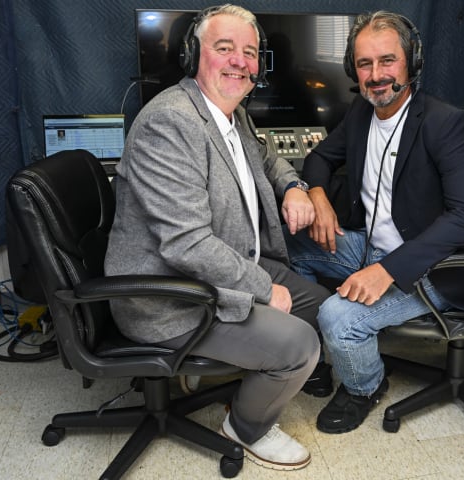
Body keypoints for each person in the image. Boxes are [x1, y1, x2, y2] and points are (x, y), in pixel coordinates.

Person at [104, 4, 331, 470]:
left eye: (249, 52)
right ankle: (246, 426)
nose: (239, 62)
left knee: (322, 309)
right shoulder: (170, 122)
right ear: (194, 55)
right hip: (171, 297)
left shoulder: (232, 114)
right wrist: (266, 290)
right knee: (300, 346)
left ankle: (219, 365)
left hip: (225, 265)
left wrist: (292, 186)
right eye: (224, 48)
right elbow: (187, 245)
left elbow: (269, 159)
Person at [284, 10, 464, 434]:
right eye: (364, 64)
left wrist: (386, 271)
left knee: (341, 318)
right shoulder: (361, 112)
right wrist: (317, 196)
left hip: (433, 268)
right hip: (370, 248)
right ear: (352, 70)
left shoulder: (444, 122)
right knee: (288, 243)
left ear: (411, 62)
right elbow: (320, 157)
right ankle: (315, 357)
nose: (376, 75)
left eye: (387, 61)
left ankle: (364, 386)